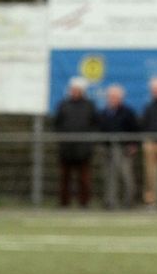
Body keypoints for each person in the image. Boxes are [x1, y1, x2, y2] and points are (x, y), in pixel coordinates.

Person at [54, 77, 99, 207]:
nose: (74, 91)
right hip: (66, 149)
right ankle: (64, 203)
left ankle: (84, 203)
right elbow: (57, 124)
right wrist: (62, 139)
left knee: (84, 179)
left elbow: (95, 124)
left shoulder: (89, 105)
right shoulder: (63, 104)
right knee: (64, 178)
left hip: (83, 150)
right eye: (72, 89)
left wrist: (89, 142)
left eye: (77, 89)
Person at [98, 84, 139, 209]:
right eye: (110, 97)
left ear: (120, 98)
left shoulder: (128, 112)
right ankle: (110, 202)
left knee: (126, 176)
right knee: (109, 177)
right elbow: (100, 129)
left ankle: (129, 202)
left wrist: (133, 144)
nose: (112, 99)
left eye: (115, 97)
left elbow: (135, 130)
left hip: (123, 149)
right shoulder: (104, 112)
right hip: (108, 148)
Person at [141, 76, 157, 210]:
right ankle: (151, 201)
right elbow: (144, 124)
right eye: (154, 89)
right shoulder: (149, 107)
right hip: (151, 143)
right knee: (150, 175)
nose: (156, 91)